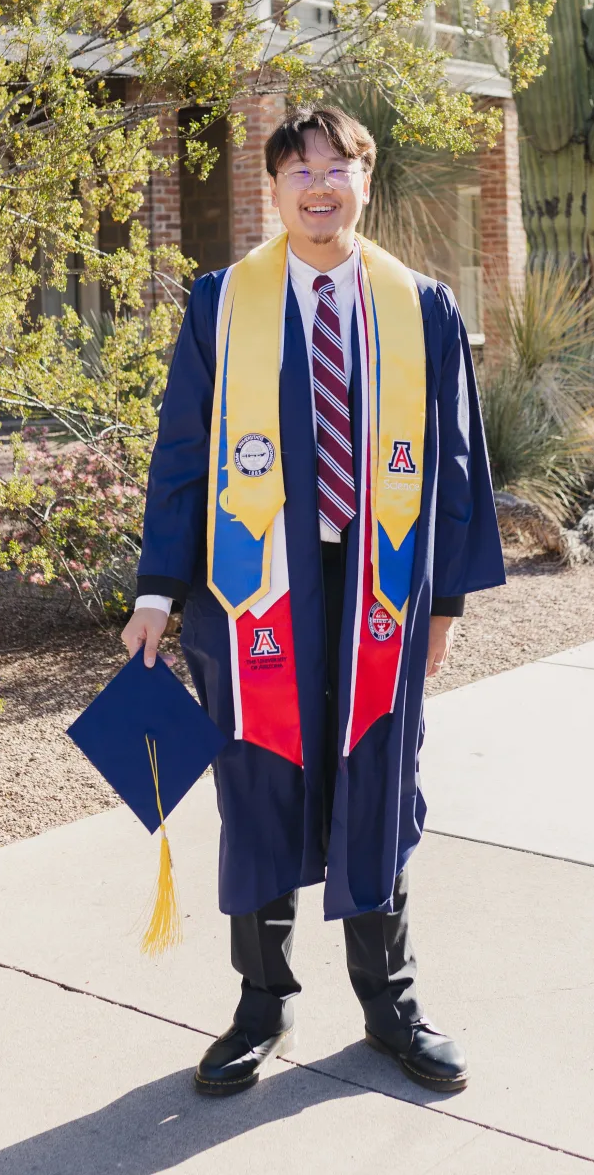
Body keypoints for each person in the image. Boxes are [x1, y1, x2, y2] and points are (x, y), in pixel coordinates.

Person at [123, 105, 505, 1097]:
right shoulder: (223, 303)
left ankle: (391, 1002)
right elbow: (178, 455)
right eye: (300, 169)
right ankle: (262, 1002)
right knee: (257, 786)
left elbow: (458, 464)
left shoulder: (419, 306)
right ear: (274, 187)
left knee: (378, 775)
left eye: (338, 167)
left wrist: (446, 605)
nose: (319, 184)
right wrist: (157, 593)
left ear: (364, 181)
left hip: (378, 583)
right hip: (254, 589)